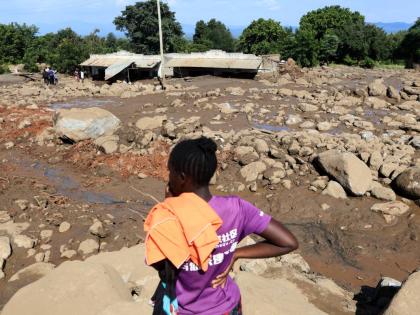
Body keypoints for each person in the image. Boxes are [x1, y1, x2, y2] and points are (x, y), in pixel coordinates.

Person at [146, 137, 298, 315]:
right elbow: (288, 242)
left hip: (185, 309)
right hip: (227, 306)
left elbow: (161, 268)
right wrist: (235, 253)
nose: (168, 177)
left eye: (169, 171)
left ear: (181, 178)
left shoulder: (167, 217)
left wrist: (170, 205)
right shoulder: (237, 208)